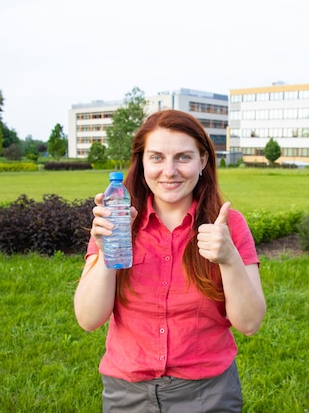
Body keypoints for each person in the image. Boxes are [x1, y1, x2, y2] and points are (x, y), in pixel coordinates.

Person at [74, 109, 266, 412]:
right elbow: (88, 319)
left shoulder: (229, 225)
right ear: (142, 163)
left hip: (208, 394)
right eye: (157, 157)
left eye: (183, 157)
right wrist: (106, 249)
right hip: (127, 394)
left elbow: (250, 323)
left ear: (203, 160)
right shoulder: (117, 222)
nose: (169, 170)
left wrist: (229, 259)